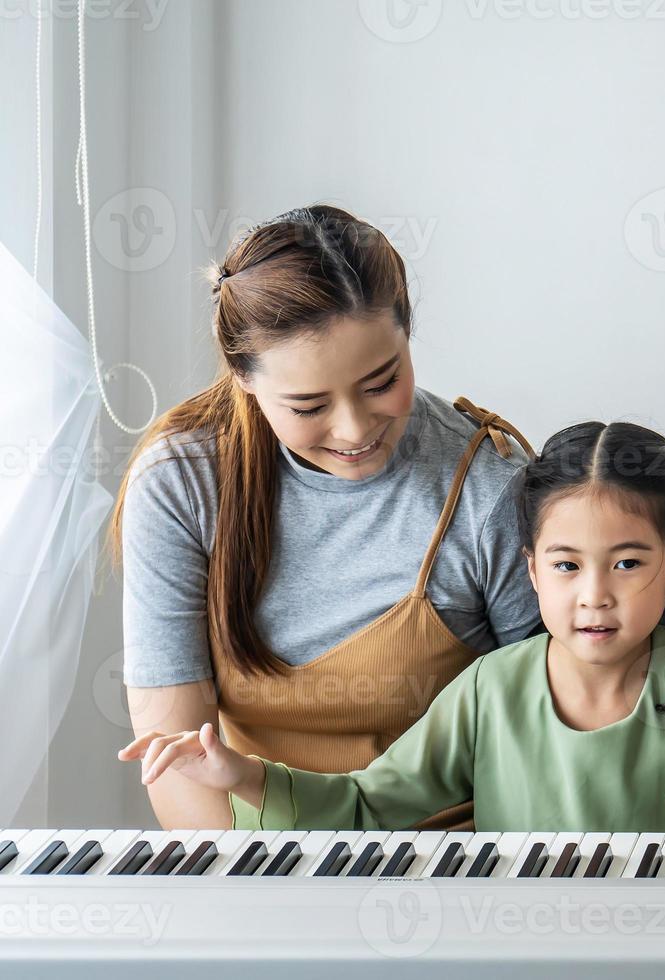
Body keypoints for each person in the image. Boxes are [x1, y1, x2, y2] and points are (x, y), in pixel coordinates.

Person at [118, 420, 665, 835]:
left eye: (628, 564)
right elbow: (368, 805)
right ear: (530, 571)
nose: (594, 595)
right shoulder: (492, 689)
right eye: (567, 566)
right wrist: (244, 777)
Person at [113, 205, 539, 830]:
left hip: (452, 858)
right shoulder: (180, 482)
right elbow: (174, 756)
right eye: (308, 404)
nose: (355, 428)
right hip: (253, 863)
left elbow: (554, 727)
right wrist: (260, 902)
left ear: (407, 335)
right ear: (244, 379)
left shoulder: (489, 486)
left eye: (381, 381)